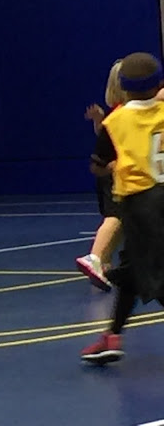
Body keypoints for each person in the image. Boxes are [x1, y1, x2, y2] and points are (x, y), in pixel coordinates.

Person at [80, 52, 164, 364]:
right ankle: (113, 335)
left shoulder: (116, 122)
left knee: (150, 277)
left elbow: (98, 165)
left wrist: (116, 165)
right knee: (132, 273)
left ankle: (112, 335)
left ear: (123, 88)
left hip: (141, 206)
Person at [76, 60, 126, 292]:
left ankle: (103, 263)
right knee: (115, 217)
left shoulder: (118, 113)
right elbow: (106, 143)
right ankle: (95, 257)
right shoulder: (123, 114)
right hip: (115, 173)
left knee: (122, 221)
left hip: (116, 172)